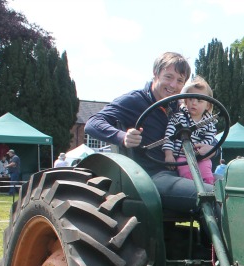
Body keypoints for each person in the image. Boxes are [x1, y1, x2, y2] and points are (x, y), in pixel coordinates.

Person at [85, 52, 211, 213]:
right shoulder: (134, 101)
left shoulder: (179, 107)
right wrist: (122, 136)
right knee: (213, 195)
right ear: (155, 74)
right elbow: (93, 123)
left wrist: (210, 149)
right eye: (168, 77)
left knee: (235, 189)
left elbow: (205, 132)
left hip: (183, 170)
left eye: (180, 80)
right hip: (150, 176)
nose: (173, 85)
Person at [163, 76, 218, 184]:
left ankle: (209, 189)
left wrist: (200, 148)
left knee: (207, 172)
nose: (194, 103)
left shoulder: (209, 123)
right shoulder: (178, 118)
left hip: (201, 157)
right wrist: (168, 154)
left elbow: (210, 138)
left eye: (199, 100)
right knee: (187, 175)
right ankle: (193, 191)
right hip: (182, 157)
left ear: (207, 105)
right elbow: (168, 137)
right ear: (185, 101)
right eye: (191, 99)